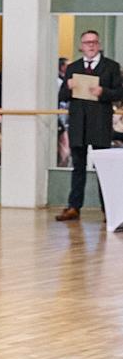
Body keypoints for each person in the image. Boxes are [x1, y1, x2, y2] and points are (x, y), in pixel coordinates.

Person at [56, 30, 123, 221]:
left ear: (99, 45)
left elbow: (119, 93)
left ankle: (108, 209)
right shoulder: (73, 67)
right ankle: (74, 207)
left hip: (100, 123)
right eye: (87, 43)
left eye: (94, 42)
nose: (91, 46)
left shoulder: (111, 66)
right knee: (78, 167)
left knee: (104, 168)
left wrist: (104, 92)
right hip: (78, 124)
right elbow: (62, 97)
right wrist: (67, 87)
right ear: (81, 46)